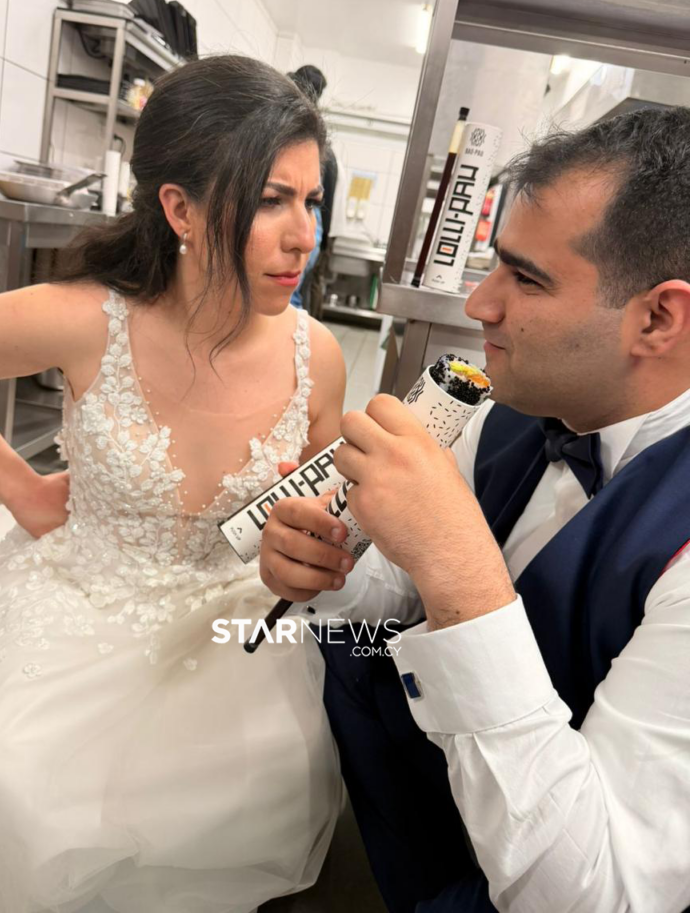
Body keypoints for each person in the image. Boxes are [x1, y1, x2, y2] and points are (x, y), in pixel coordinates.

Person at [0, 55, 346, 913]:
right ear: (180, 209)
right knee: (0, 779)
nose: (304, 235)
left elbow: (322, 501)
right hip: (79, 607)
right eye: (271, 201)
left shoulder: (318, 356)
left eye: (311, 201)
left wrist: (312, 544)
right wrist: (19, 488)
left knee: (272, 774)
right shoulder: (89, 318)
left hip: (229, 634)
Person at [260, 106, 690, 913]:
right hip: (416, 805)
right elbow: (397, 589)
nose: (480, 305)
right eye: (495, 266)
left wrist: (461, 569)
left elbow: (597, 892)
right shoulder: (504, 409)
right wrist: (331, 566)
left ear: (659, 318)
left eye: (526, 279)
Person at [288, 65, 338, 311]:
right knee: (293, 294)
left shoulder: (316, 146)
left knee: (291, 296)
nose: (304, 242)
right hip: (319, 228)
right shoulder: (318, 147)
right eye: (271, 200)